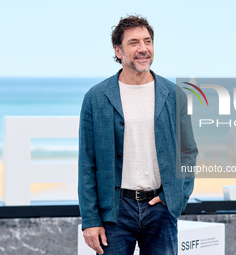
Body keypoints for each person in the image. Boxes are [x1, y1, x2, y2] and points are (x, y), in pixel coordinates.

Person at [78, 14, 198, 255]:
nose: (143, 49)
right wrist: (90, 219)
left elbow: (188, 152)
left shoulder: (174, 95)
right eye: (134, 43)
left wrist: (176, 197)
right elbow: (87, 163)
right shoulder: (96, 97)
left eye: (148, 41)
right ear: (118, 51)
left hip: (160, 209)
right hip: (115, 211)